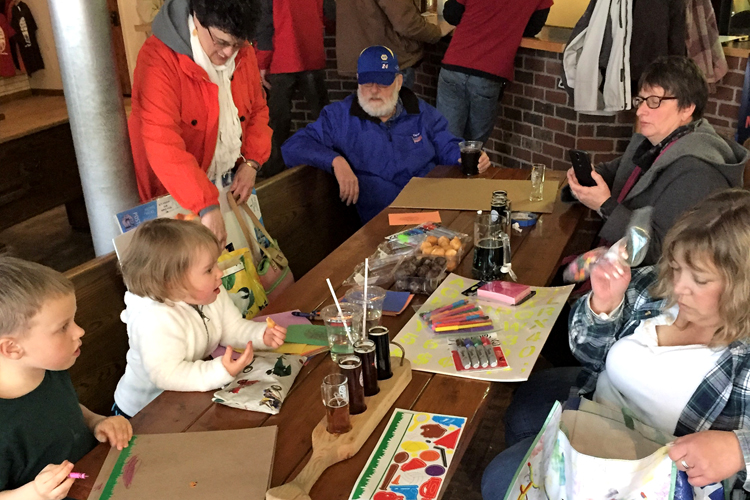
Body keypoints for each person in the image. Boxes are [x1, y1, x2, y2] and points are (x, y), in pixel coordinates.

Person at [482, 188, 750, 499]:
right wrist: (603, 305)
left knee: (500, 478)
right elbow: (587, 354)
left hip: (644, 476)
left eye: (700, 280)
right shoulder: (653, 285)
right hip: (597, 415)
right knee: (525, 410)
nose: (678, 287)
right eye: (677, 268)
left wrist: (739, 450)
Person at [565, 56, 747, 266]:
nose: (641, 111)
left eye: (654, 102)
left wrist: (605, 205)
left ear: (687, 107)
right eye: (640, 101)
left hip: (649, 285)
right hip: (614, 262)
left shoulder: (697, 172)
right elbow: (610, 173)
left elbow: (660, 253)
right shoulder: (656, 143)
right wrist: (581, 183)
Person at [282, 45, 490, 223]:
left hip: (431, 212)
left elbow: (447, 144)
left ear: (399, 82)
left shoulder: (419, 111)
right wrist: (335, 161)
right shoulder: (339, 117)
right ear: (357, 80)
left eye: (382, 83)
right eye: (367, 83)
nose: (374, 90)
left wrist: (468, 156)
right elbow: (292, 147)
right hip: (380, 223)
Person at [128, 0, 272, 248]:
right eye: (221, 42)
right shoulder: (158, 58)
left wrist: (252, 162)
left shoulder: (243, 52)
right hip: (178, 192)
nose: (229, 53)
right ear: (197, 19)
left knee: (246, 270)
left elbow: (258, 109)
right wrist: (205, 203)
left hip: (229, 180)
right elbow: (161, 142)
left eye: (237, 44)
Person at [112, 219, 287, 418]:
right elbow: (167, 374)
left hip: (185, 401)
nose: (220, 273)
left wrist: (260, 335)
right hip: (142, 413)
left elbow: (232, 328)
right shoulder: (154, 319)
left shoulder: (211, 292)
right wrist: (219, 370)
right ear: (172, 282)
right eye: (209, 269)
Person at [0, 257, 133, 499]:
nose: (79, 331)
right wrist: (33, 493)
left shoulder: (49, 368)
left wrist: (96, 422)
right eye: (63, 327)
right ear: (12, 348)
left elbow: (64, 409)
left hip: (96, 480)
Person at [436, 0, 551, 143]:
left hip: (454, 64)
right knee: (474, 148)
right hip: (490, 72)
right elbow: (533, 27)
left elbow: (452, 14)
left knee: (446, 142)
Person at [255, 0, 330, 177]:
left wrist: (262, 61)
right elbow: (329, 14)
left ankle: (273, 171)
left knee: (277, 119)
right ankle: (334, 160)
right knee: (323, 115)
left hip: (282, 56)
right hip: (312, 52)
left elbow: (265, 24)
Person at [334, 0, 451, 88]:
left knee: (370, 114)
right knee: (393, 116)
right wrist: (437, 32)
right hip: (389, 59)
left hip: (363, 57)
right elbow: (407, 24)